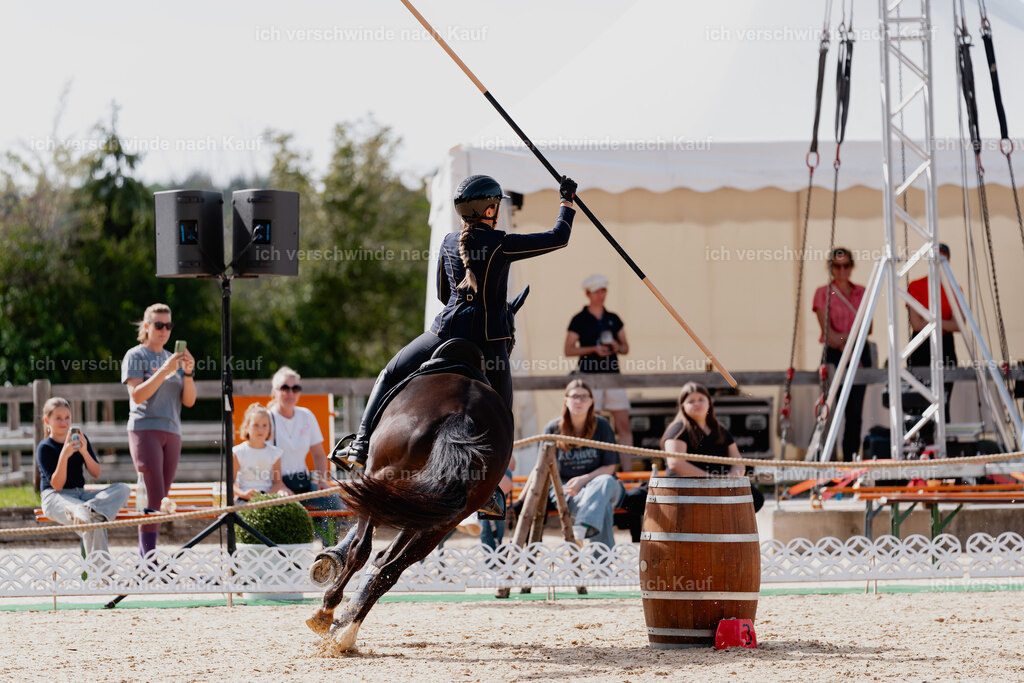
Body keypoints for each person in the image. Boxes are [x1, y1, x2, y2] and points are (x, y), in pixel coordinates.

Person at [334, 173, 579, 520]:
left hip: (444, 331)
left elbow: (441, 293)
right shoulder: (501, 243)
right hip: (490, 341)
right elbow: (559, 238)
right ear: (490, 210)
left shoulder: (449, 241)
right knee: (502, 416)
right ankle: (490, 490)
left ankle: (359, 446)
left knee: (388, 374)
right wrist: (566, 201)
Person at [121, 303, 196, 558]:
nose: (164, 330)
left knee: (162, 497)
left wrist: (188, 373)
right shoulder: (136, 355)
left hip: (172, 430)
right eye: (159, 325)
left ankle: (147, 558)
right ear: (146, 327)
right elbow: (137, 395)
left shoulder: (173, 358)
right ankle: (148, 561)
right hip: (145, 428)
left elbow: (189, 401)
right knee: (153, 496)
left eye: (169, 325)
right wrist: (165, 370)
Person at [36, 397, 131, 556]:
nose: (64, 422)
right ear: (47, 420)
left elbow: (96, 473)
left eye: (67, 417)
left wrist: (85, 452)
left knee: (123, 489)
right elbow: (57, 486)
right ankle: (102, 570)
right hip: (55, 497)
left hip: (81, 496)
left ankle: (90, 509)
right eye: (58, 418)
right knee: (94, 520)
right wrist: (64, 455)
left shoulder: (81, 440)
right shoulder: (44, 447)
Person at [542, 379, 625, 548]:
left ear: (591, 401)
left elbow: (609, 468)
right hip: (568, 491)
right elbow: (541, 468)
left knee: (605, 482)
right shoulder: (553, 429)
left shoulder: (602, 426)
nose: (579, 401)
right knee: (603, 506)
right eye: (574, 396)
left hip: (607, 488)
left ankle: (580, 527)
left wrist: (583, 480)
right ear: (566, 400)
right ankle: (602, 563)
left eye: (584, 397)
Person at [267, 366, 344, 543]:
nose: (290, 393)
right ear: (274, 391)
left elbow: (318, 454)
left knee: (333, 502)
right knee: (287, 512)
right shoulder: (267, 419)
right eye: (285, 388)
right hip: (276, 484)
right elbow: (265, 457)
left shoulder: (306, 415)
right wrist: (279, 485)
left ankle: (329, 553)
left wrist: (322, 480)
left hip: (303, 482)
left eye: (295, 388)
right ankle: (301, 543)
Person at [660, 382, 764, 512]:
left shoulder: (720, 430)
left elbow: (738, 462)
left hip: (720, 485)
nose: (697, 403)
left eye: (701, 399)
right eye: (691, 401)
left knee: (756, 498)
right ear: (683, 406)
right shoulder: (678, 429)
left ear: (709, 403)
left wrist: (730, 479)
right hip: (686, 488)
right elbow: (675, 463)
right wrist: (710, 479)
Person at [564, 273, 633, 469]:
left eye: (604, 291)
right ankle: (595, 470)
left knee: (623, 425)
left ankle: (628, 473)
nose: (601, 295)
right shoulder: (579, 319)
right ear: (588, 294)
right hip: (589, 378)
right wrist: (593, 349)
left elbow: (625, 348)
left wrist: (616, 346)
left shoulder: (613, 318)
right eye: (597, 292)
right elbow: (568, 350)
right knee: (593, 424)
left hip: (613, 377)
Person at [812, 247, 873, 462]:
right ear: (831, 268)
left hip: (859, 353)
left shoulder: (862, 292)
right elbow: (828, 335)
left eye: (846, 265)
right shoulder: (823, 293)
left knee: (854, 412)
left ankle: (850, 461)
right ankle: (826, 461)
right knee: (829, 411)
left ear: (852, 266)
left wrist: (843, 339)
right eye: (837, 266)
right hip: (835, 355)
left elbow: (868, 328)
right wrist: (849, 339)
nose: (842, 270)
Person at [907, 243, 959, 424]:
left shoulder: (954, 288)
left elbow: (959, 325)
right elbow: (916, 324)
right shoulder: (916, 286)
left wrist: (931, 323)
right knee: (919, 397)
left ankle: (944, 432)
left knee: (944, 396)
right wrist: (943, 323)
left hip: (945, 343)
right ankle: (920, 432)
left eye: (942, 258)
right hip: (921, 342)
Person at [233, 403, 286, 501]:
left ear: (270, 428)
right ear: (246, 427)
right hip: (245, 497)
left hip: (267, 497)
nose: (260, 429)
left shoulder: (274, 453)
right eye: (256, 425)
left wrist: (265, 498)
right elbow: (230, 483)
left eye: (264, 425)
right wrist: (243, 494)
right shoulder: (238, 452)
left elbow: (278, 483)